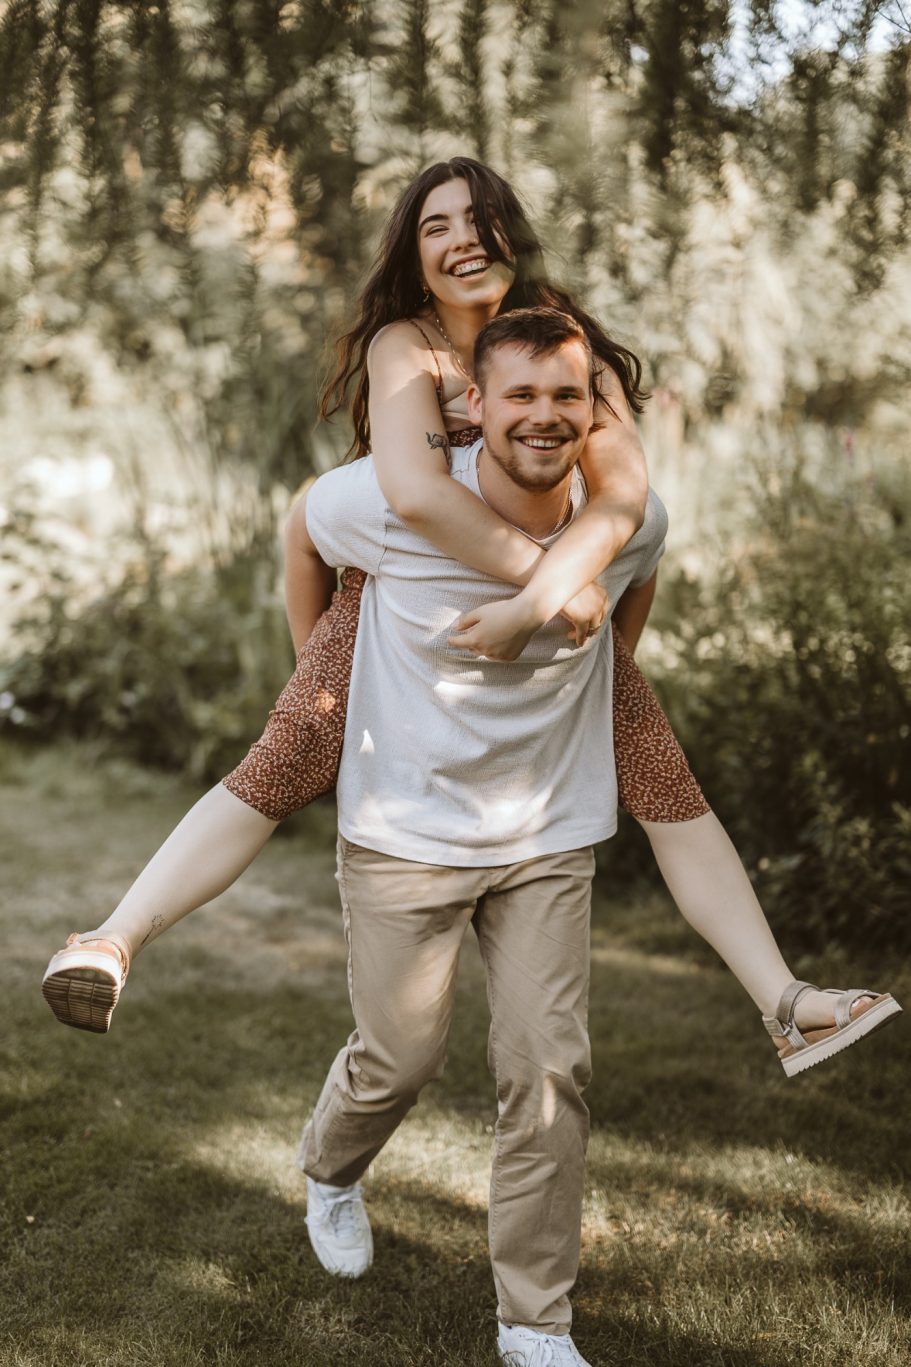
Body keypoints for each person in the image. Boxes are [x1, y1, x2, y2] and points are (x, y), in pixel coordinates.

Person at [41, 157, 900, 1077]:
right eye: (436, 225)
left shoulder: (567, 346)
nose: (463, 239)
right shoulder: (406, 346)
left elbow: (626, 508)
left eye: (481, 218)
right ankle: (113, 938)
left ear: (512, 234)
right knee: (286, 754)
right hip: (397, 598)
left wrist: (569, 627)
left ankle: (785, 1000)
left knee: (661, 780)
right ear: (414, 256)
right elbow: (408, 495)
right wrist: (544, 591)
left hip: (555, 612)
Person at [298, 307, 666, 1367]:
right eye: (522, 394)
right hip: (403, 828)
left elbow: (621, 606)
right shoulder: (387, 499)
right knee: (399, 1055)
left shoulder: (625, 517)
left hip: (544, 832)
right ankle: (329, 1168)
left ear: (593, 409)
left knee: (549, 1066)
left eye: (569, 395)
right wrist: (312, 688)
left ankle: (532, 1322)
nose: (546, 416)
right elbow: (299, 530)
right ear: (474, 405)